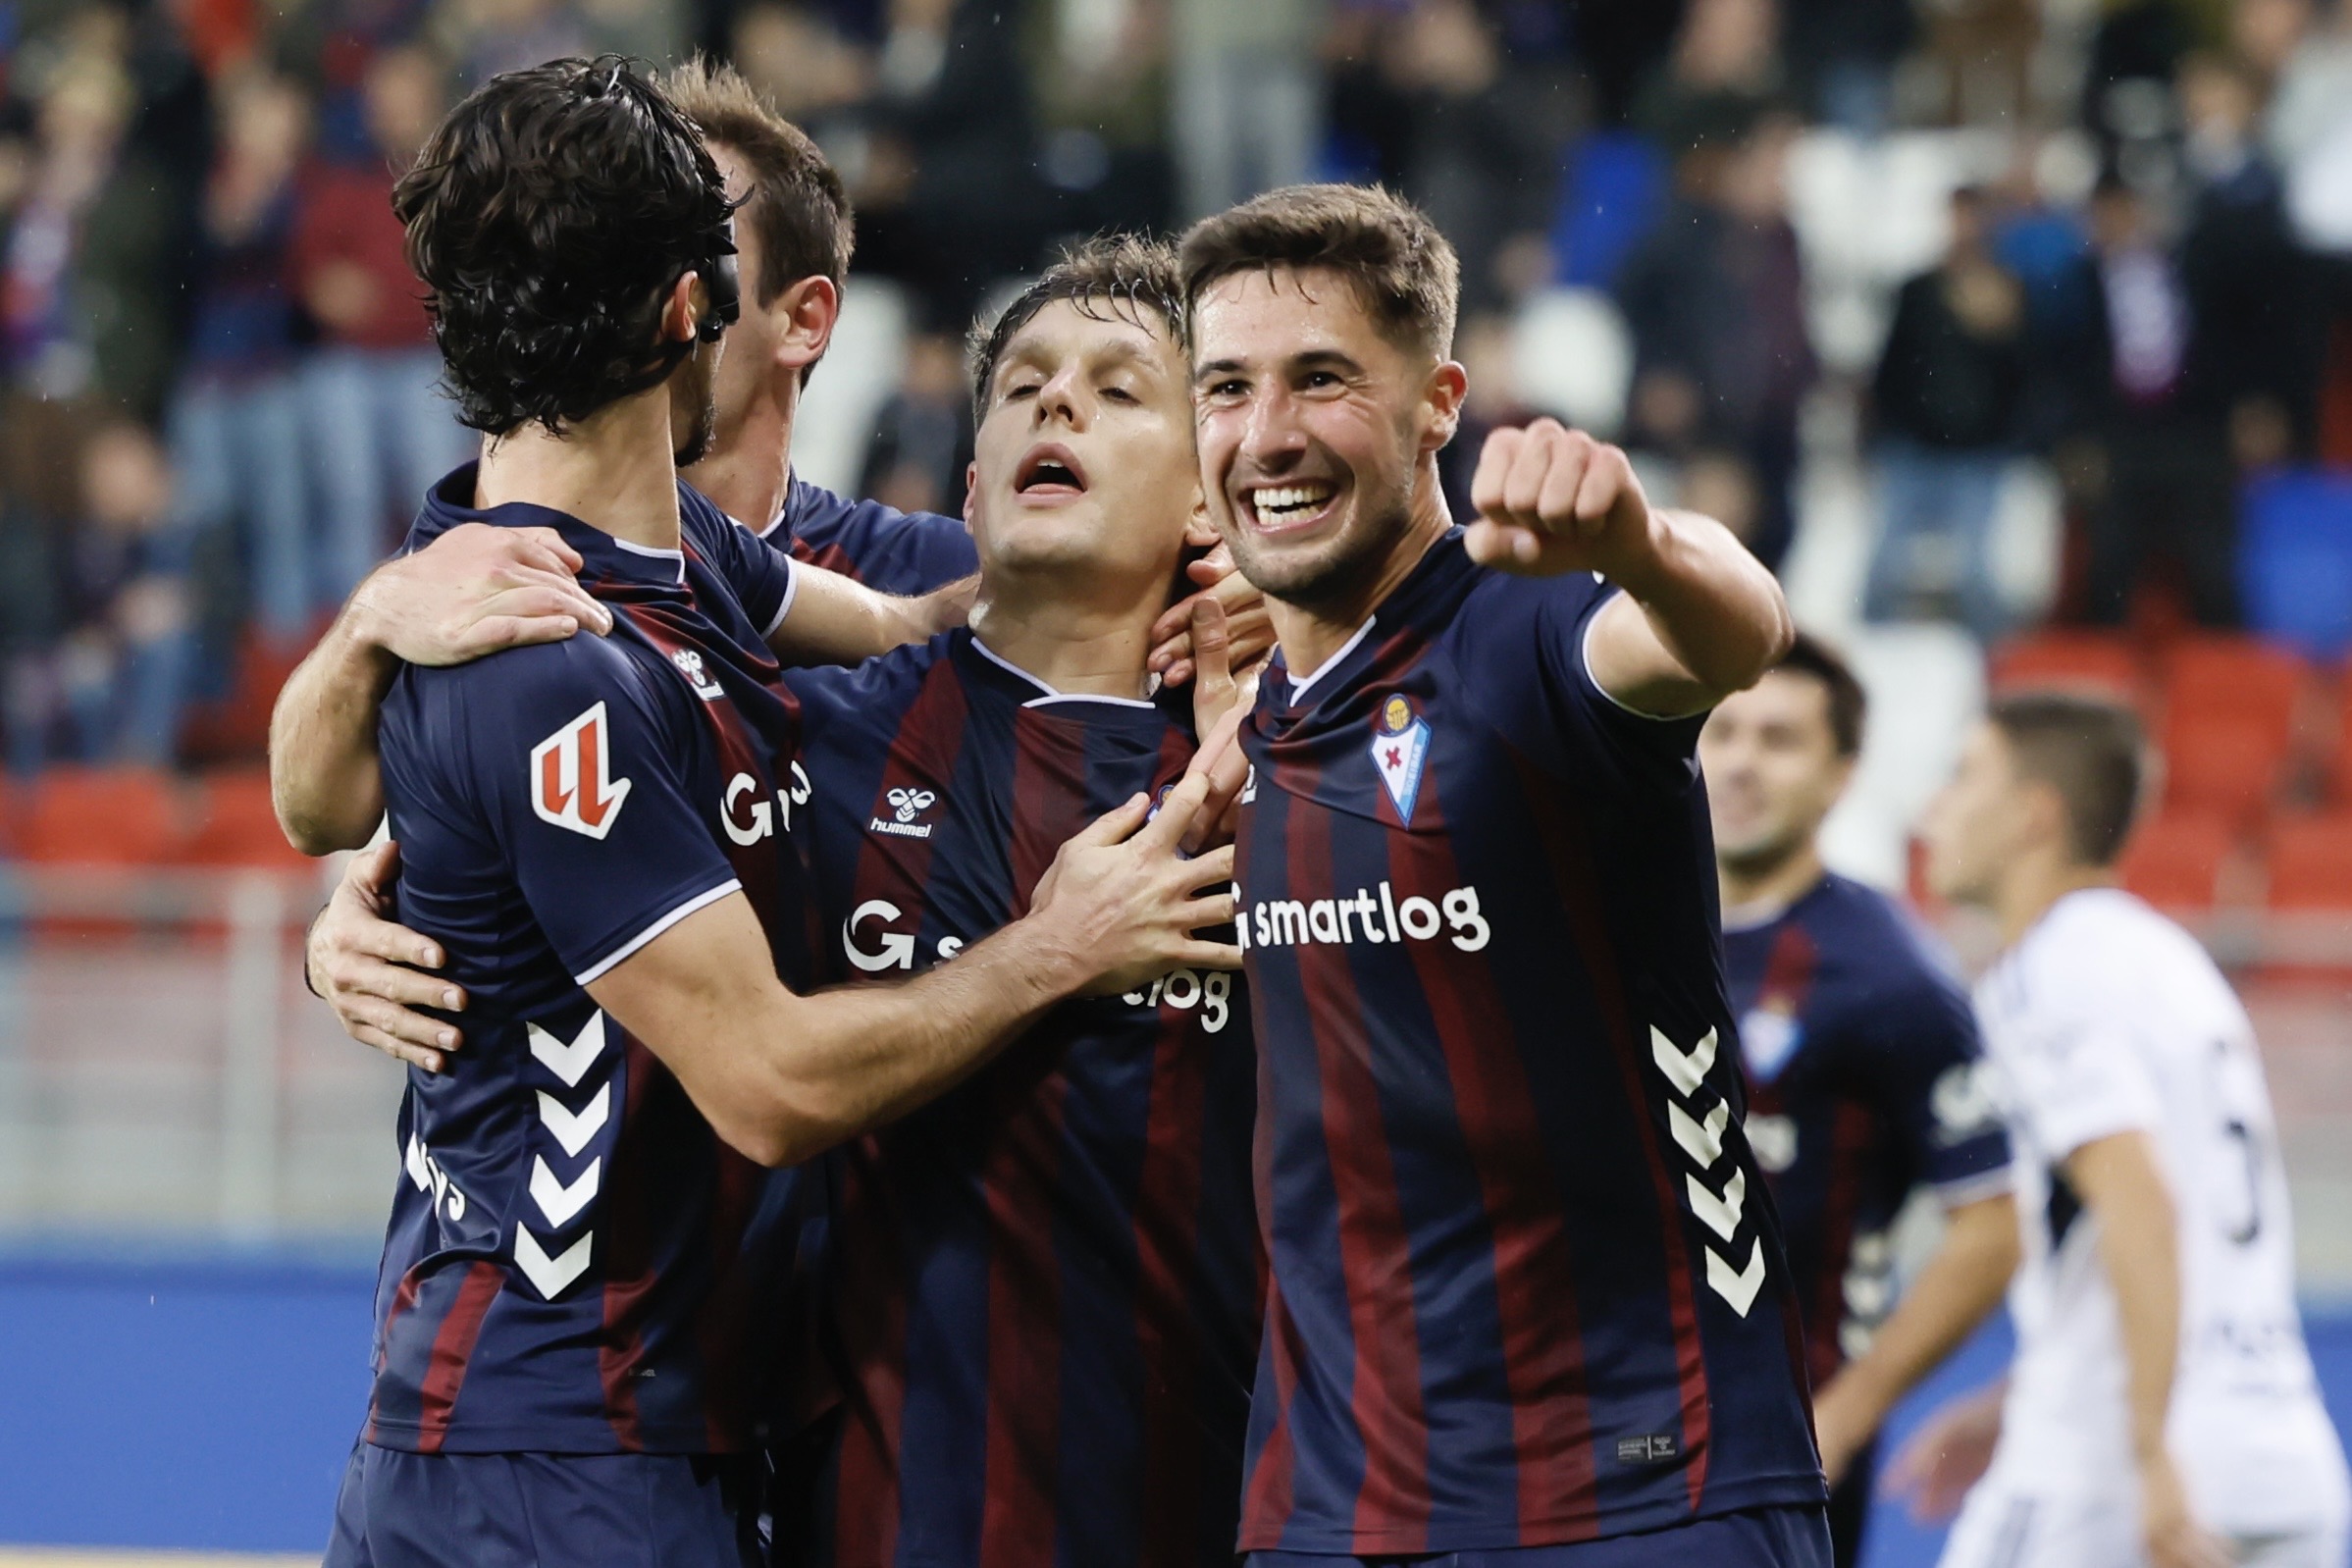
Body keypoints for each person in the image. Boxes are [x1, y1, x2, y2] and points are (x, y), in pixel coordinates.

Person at [313, 58, 1236, 1567]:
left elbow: (969, 615)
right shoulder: (515, 623)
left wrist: (1257, 593)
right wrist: (344, 872)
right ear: (690, 305)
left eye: (1118, 394)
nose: (1054, 416)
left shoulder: (751, 592)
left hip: (725, 1438)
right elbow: (358, 802)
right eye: (1021, 388)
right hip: (570, 1428)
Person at [1181, 183, 1829, 1562]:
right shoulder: (1254, 714)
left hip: (1644, 1492)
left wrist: (1642, 541)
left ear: (1438, 402)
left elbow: (1729, 629)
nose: (1266, 432)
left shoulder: (1526, 627)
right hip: (1335, 1510)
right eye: (1225, 388)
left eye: (1322, 380)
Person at [1898, 692, 2351, 1568]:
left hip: (2110, 1474)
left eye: (1962, 778)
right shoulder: (2171, 961)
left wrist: (2149, 1450)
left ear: (2035, 815)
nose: (1932, 811)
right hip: (2279, 1459)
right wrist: (2008, 1398)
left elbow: (2140, 1199)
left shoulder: (2045, 975)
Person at [1698, 633, 2017, 1567]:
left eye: (1780, 739)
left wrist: (1845, 1413)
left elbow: (1992, 1226)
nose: (1742, 762)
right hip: (1613, 1429)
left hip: (1781, 1451)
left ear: (1840, 775)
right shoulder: (1626, 928)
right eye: (1723, 732)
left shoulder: (1889, 975)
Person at [1862, 185, 2029, 645]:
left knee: (1977, 575)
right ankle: (1876, 664)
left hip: (1979, 453)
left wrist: (2004, 332)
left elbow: (2026, 380)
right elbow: (1892, 369)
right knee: (1882, 570)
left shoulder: (2011, 294)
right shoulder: (1918, 289)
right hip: (1914, 449)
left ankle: (1995, 673)